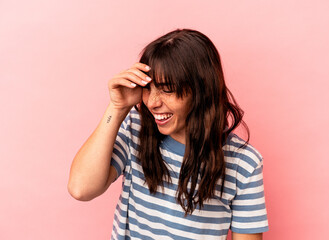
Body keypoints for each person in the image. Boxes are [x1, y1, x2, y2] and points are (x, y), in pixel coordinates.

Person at [68, 28, 269, 240]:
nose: (153, 103)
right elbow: (81, 188)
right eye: (148, 88)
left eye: (167, 89)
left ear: (201, 90)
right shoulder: (134, 129)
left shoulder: (244, 163)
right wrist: (117, 108)